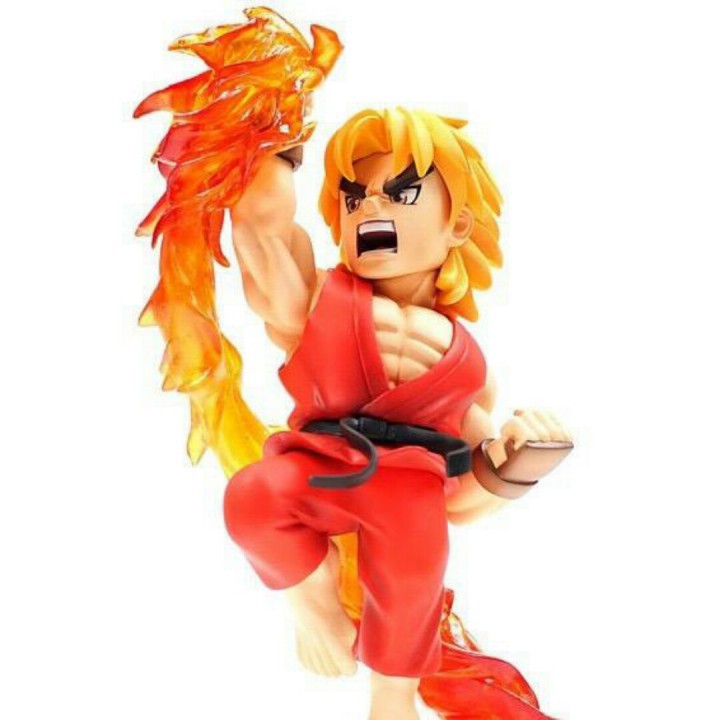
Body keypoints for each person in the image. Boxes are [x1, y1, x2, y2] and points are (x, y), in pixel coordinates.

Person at [223, 107, 572, 720]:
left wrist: (519, 463)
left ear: (457, 225)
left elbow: (463, 500)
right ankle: (315, 602)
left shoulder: (468, 366)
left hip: (409, 486)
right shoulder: (318, 299)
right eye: (353, 198)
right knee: (254, 495)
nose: (372, 209)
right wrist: (270, 145)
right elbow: (262, 232)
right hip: (322, 461)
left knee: (415, 567)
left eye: (403, 193)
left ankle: (393, 700)